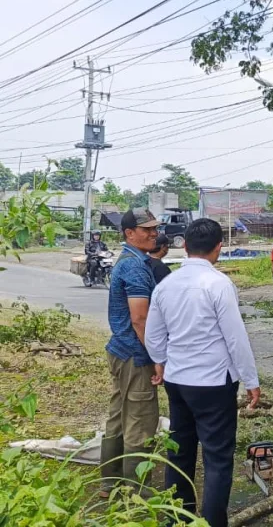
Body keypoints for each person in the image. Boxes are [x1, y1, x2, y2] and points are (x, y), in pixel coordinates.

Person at [145, 219, 260, 527]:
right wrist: (251, 380)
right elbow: (236, 337)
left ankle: (177, 518)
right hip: (212, 383)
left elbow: (154, 335)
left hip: (178, 381)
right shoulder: (218, 284)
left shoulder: (166, 284)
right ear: (218, 248)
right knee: (217, 457)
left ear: (184, 246)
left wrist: (160, 361)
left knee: (179, 451)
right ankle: (211, 522)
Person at [100, 208, 160, 497]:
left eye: (154, 229)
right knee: (140, 420)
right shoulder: (135, 266)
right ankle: (138, 493)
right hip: (135, 356)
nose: (153, 234)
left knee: (119, 414)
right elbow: (140, 319)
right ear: (129, 233)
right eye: (146, 229)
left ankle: (109, 483)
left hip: (120, 350)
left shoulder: (129, 260)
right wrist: (157, 358)